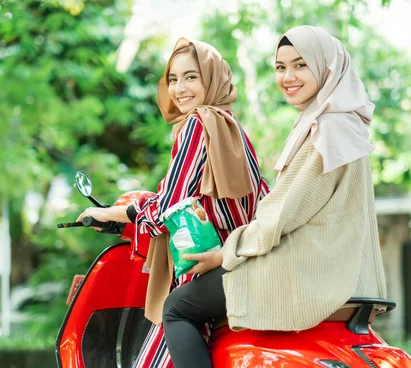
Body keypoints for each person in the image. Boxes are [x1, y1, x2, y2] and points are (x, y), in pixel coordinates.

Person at [161, 26, 388, 368]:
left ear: (326, 67)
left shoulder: (327, 130)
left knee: (177, 308)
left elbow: (279, 216)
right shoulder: (343, 123)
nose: (288, 77)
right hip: (335, 266)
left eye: (300, 65)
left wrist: (227, 253)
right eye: (281, 68)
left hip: (304, 267)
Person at [77, 38, 268, 368]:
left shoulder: (198, 124)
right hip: (245, 256)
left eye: (191, 77)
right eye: (173, 79)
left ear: (212, 79)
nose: (180, 88)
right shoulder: (232, 126)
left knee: (168, 324)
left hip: (209, 262)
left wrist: (113, 213)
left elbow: (168, 208)